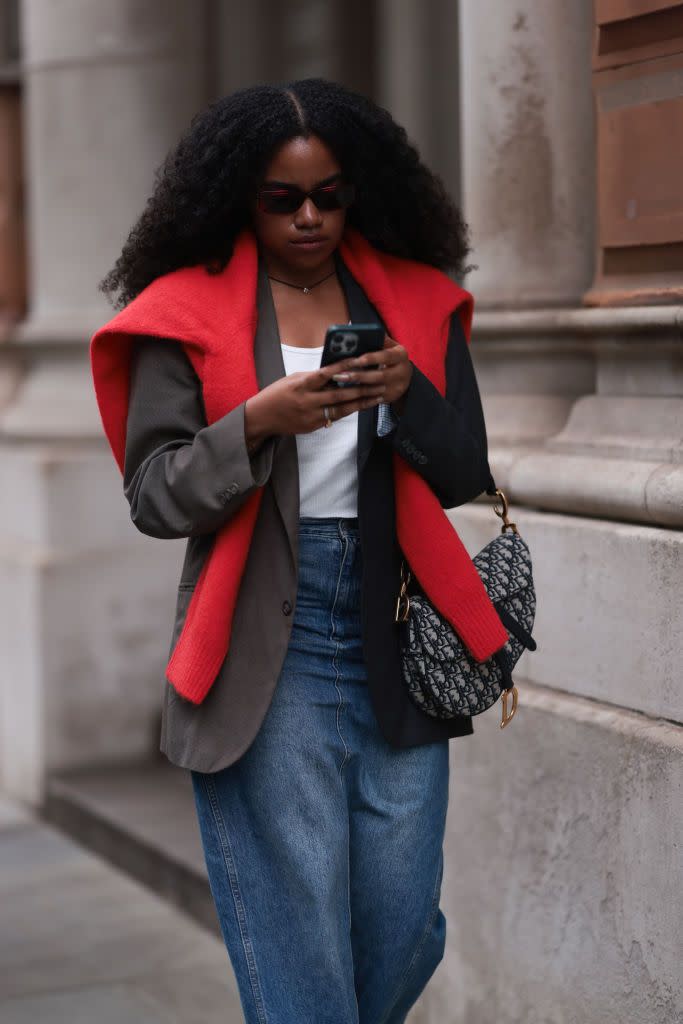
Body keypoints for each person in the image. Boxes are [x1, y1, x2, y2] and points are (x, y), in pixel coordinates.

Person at [90, 78, 506, 1024]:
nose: (310, 217)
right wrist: (255, 423)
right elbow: (155, 495)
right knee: (297, 941)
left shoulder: (409, 300)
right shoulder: (181, 314)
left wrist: (407, 393)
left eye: (331, 194)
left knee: (404, 929)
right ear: (239, 194)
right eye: (283, 199)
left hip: (392, 628)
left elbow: (462, 472)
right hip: (261, 644)